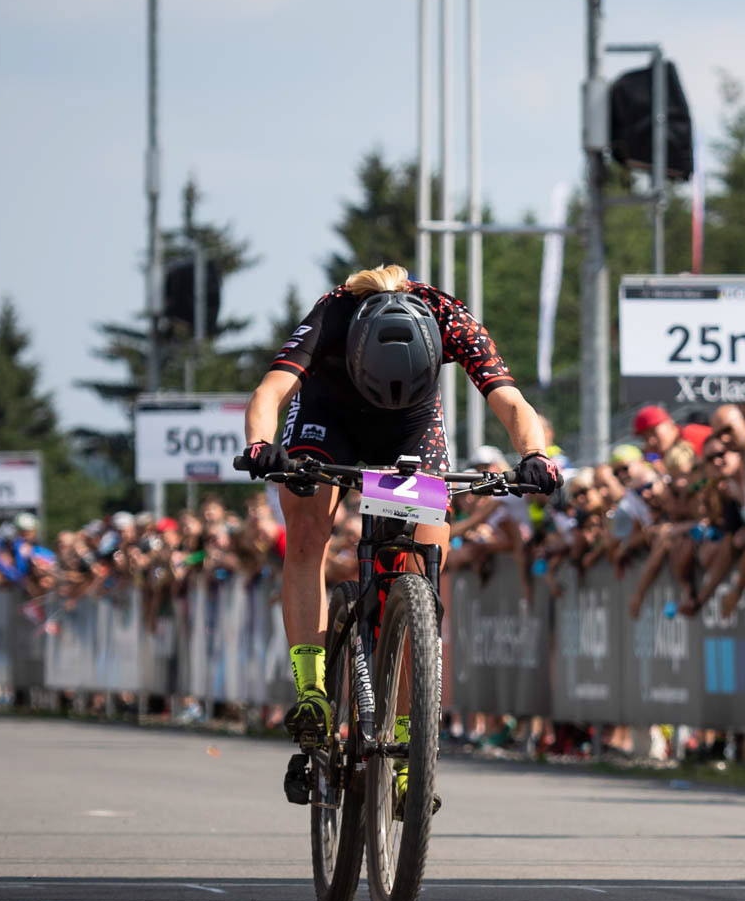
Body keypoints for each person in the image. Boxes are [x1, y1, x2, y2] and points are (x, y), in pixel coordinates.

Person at [240, 264, 560, 780]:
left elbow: (509, 398)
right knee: (305, 532)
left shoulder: (448, 314)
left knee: (426, 560)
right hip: (328, 420)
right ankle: (311, 690)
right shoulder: (335, 312)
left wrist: (535, 455)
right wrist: (260, 443)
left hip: (408, 431)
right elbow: (271, 391)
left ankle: (413, 743)